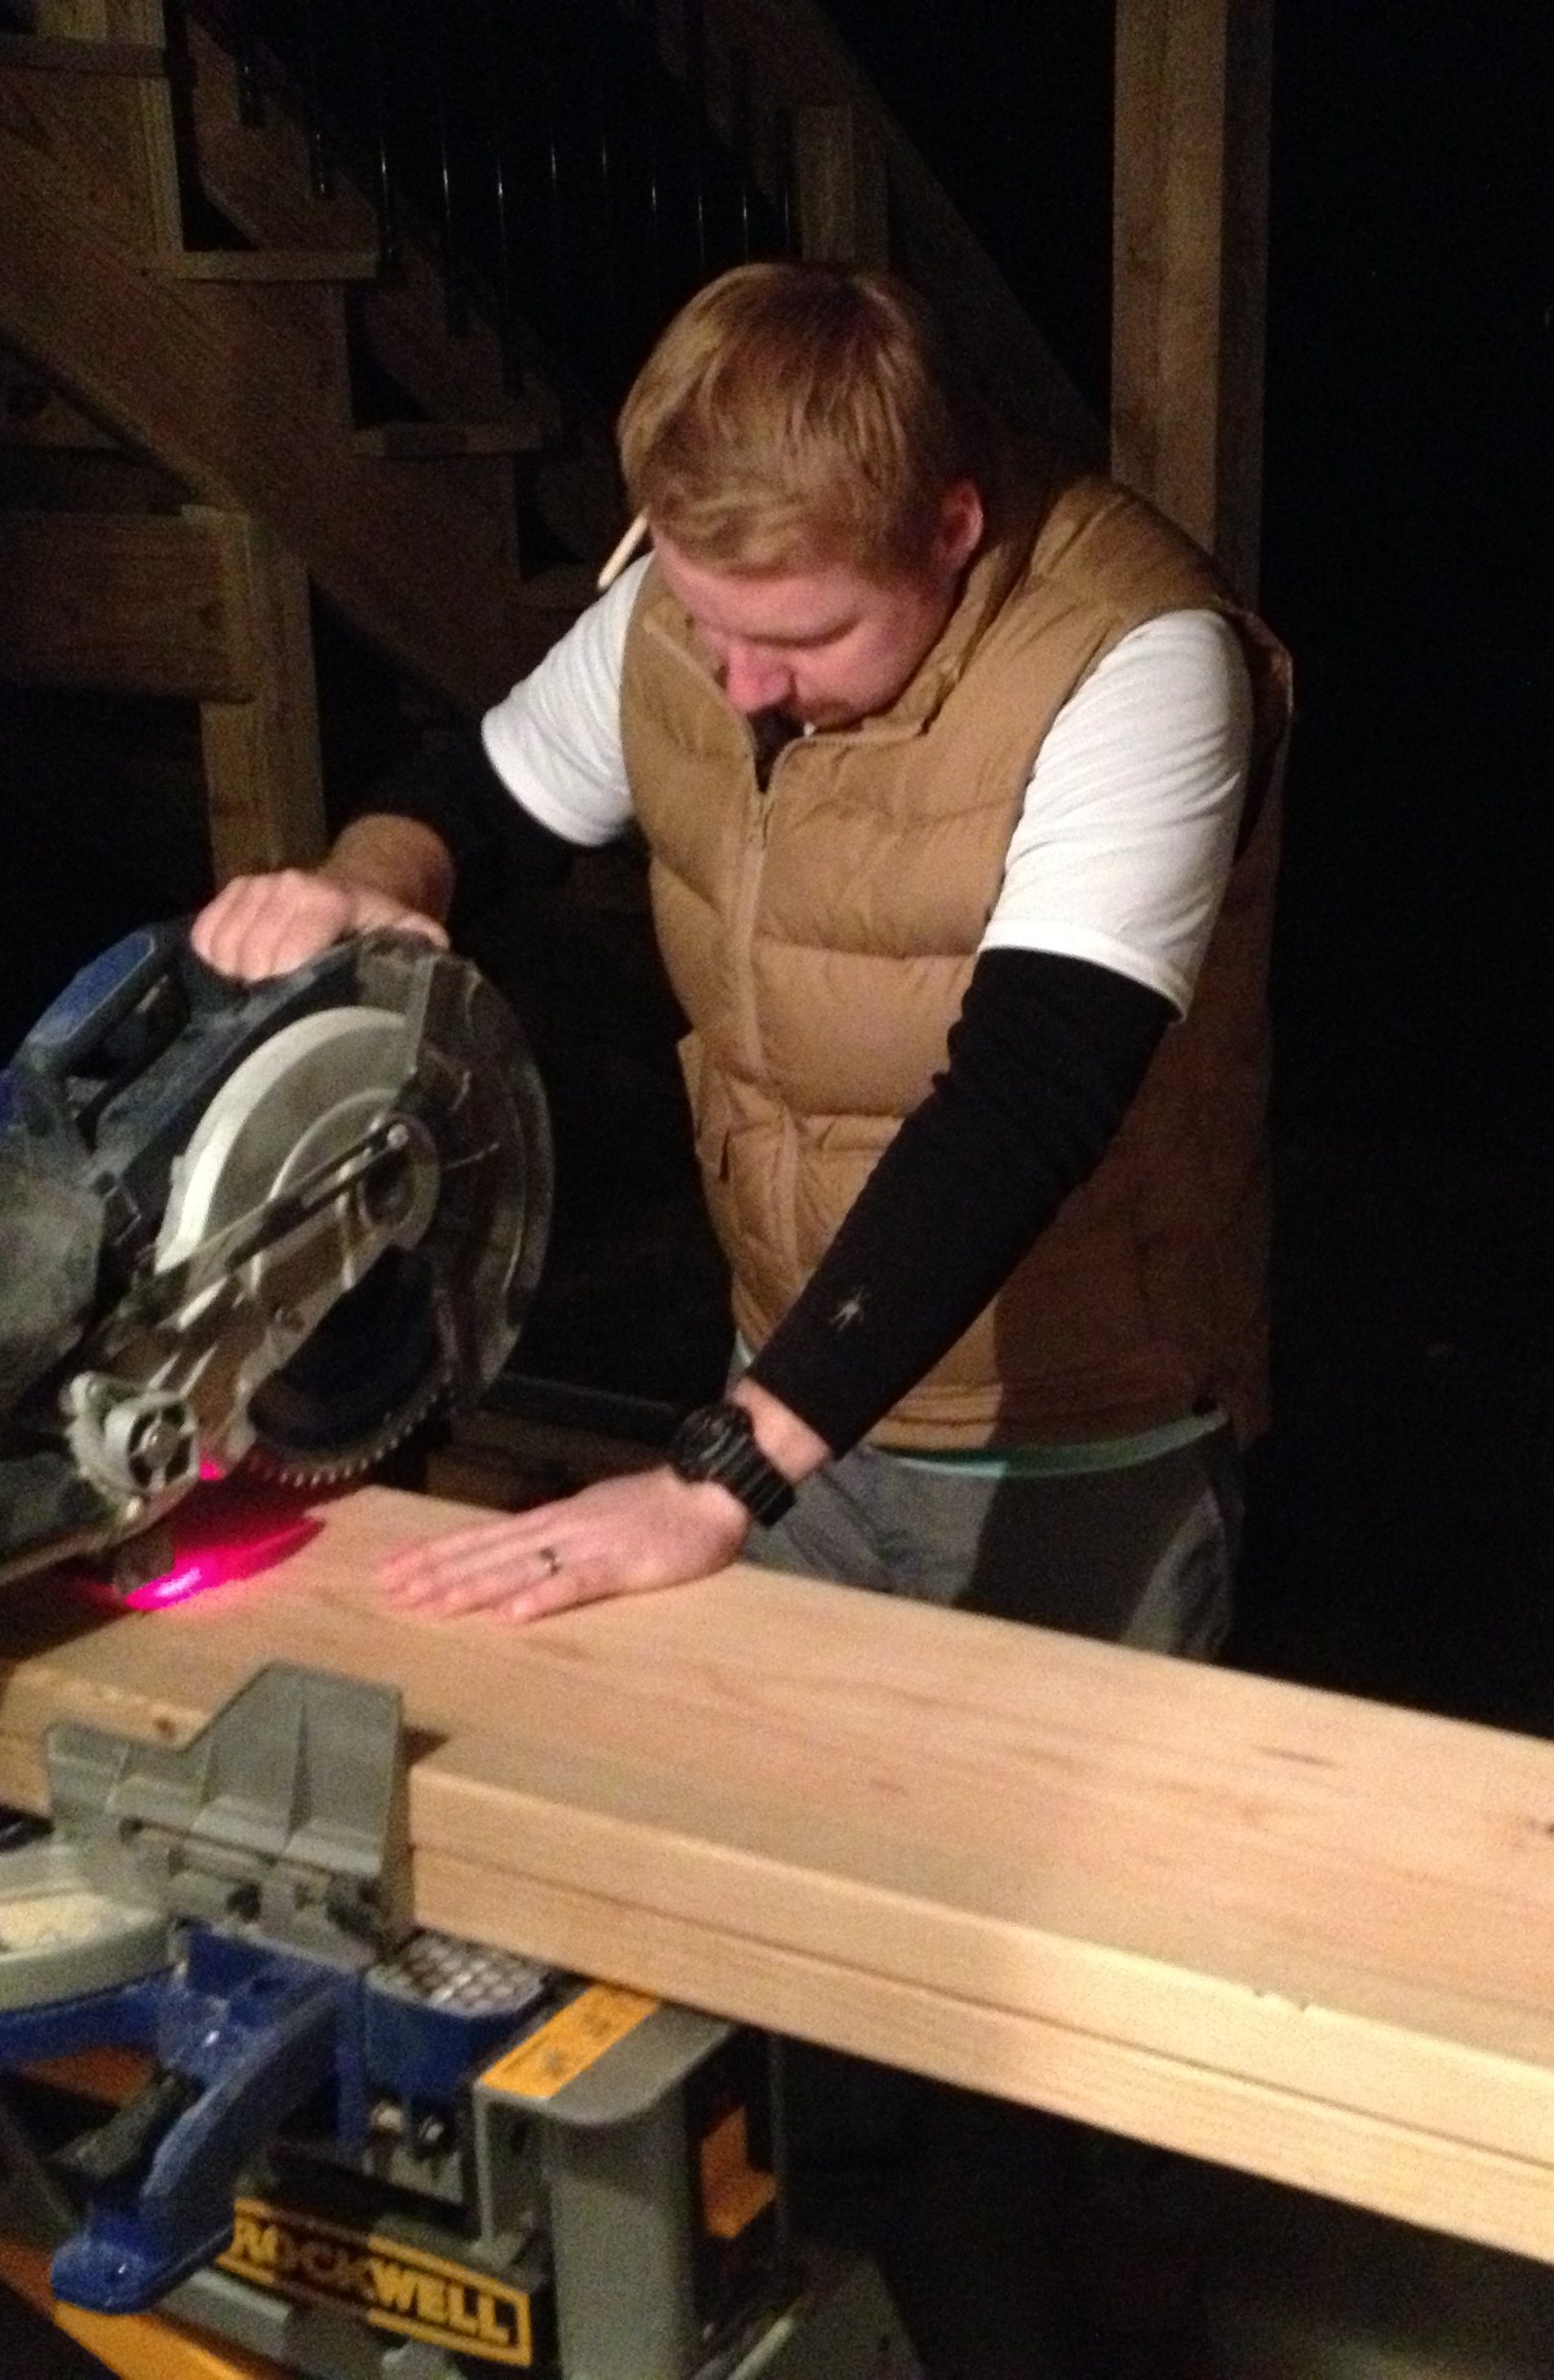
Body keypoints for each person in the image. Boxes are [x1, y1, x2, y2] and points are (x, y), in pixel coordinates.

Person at [191, 261, 1289, 1662]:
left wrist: (728, 1470)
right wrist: (360, 885)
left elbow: (1027, 1102)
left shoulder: (1139, 664)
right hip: (784, 1376)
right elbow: (480, 797)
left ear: (951, 527)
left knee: (1044, 1872)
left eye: (800, 635)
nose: (740, 681)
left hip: (1066, 1444)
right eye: (710, 622)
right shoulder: (694, 611)